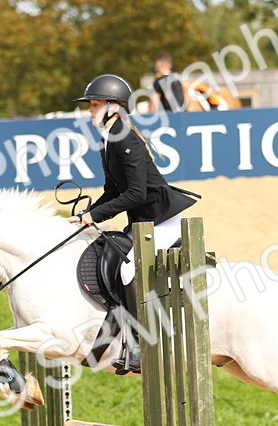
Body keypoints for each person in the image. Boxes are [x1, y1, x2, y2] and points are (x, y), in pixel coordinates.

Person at [72, 74, 200, 373]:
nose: (89, 110)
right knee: (115, 260)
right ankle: (113, 340)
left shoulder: (125, 138)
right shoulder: (109, 139)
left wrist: (96, 216)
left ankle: (140, 345)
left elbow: (137, 193)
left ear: (114, 107)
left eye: (94, 104)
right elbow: (113, 191)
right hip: (143, 222)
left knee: (129, 267)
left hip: (161, 220)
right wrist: (87, 215)